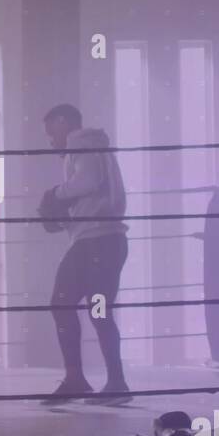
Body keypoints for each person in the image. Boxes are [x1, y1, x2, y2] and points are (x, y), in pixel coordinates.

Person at [37, 104, 131, 406]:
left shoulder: (84, 146)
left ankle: (104, 381)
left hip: (97, 240)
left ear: (64, 123)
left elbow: (87, 183)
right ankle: (96, 380)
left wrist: (56, 195)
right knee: (81, 307)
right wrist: (64, 218)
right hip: (97, 239)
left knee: (77, 306)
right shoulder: (91, 149)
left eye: (52, 133)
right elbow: (92, 194)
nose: (51, 141)